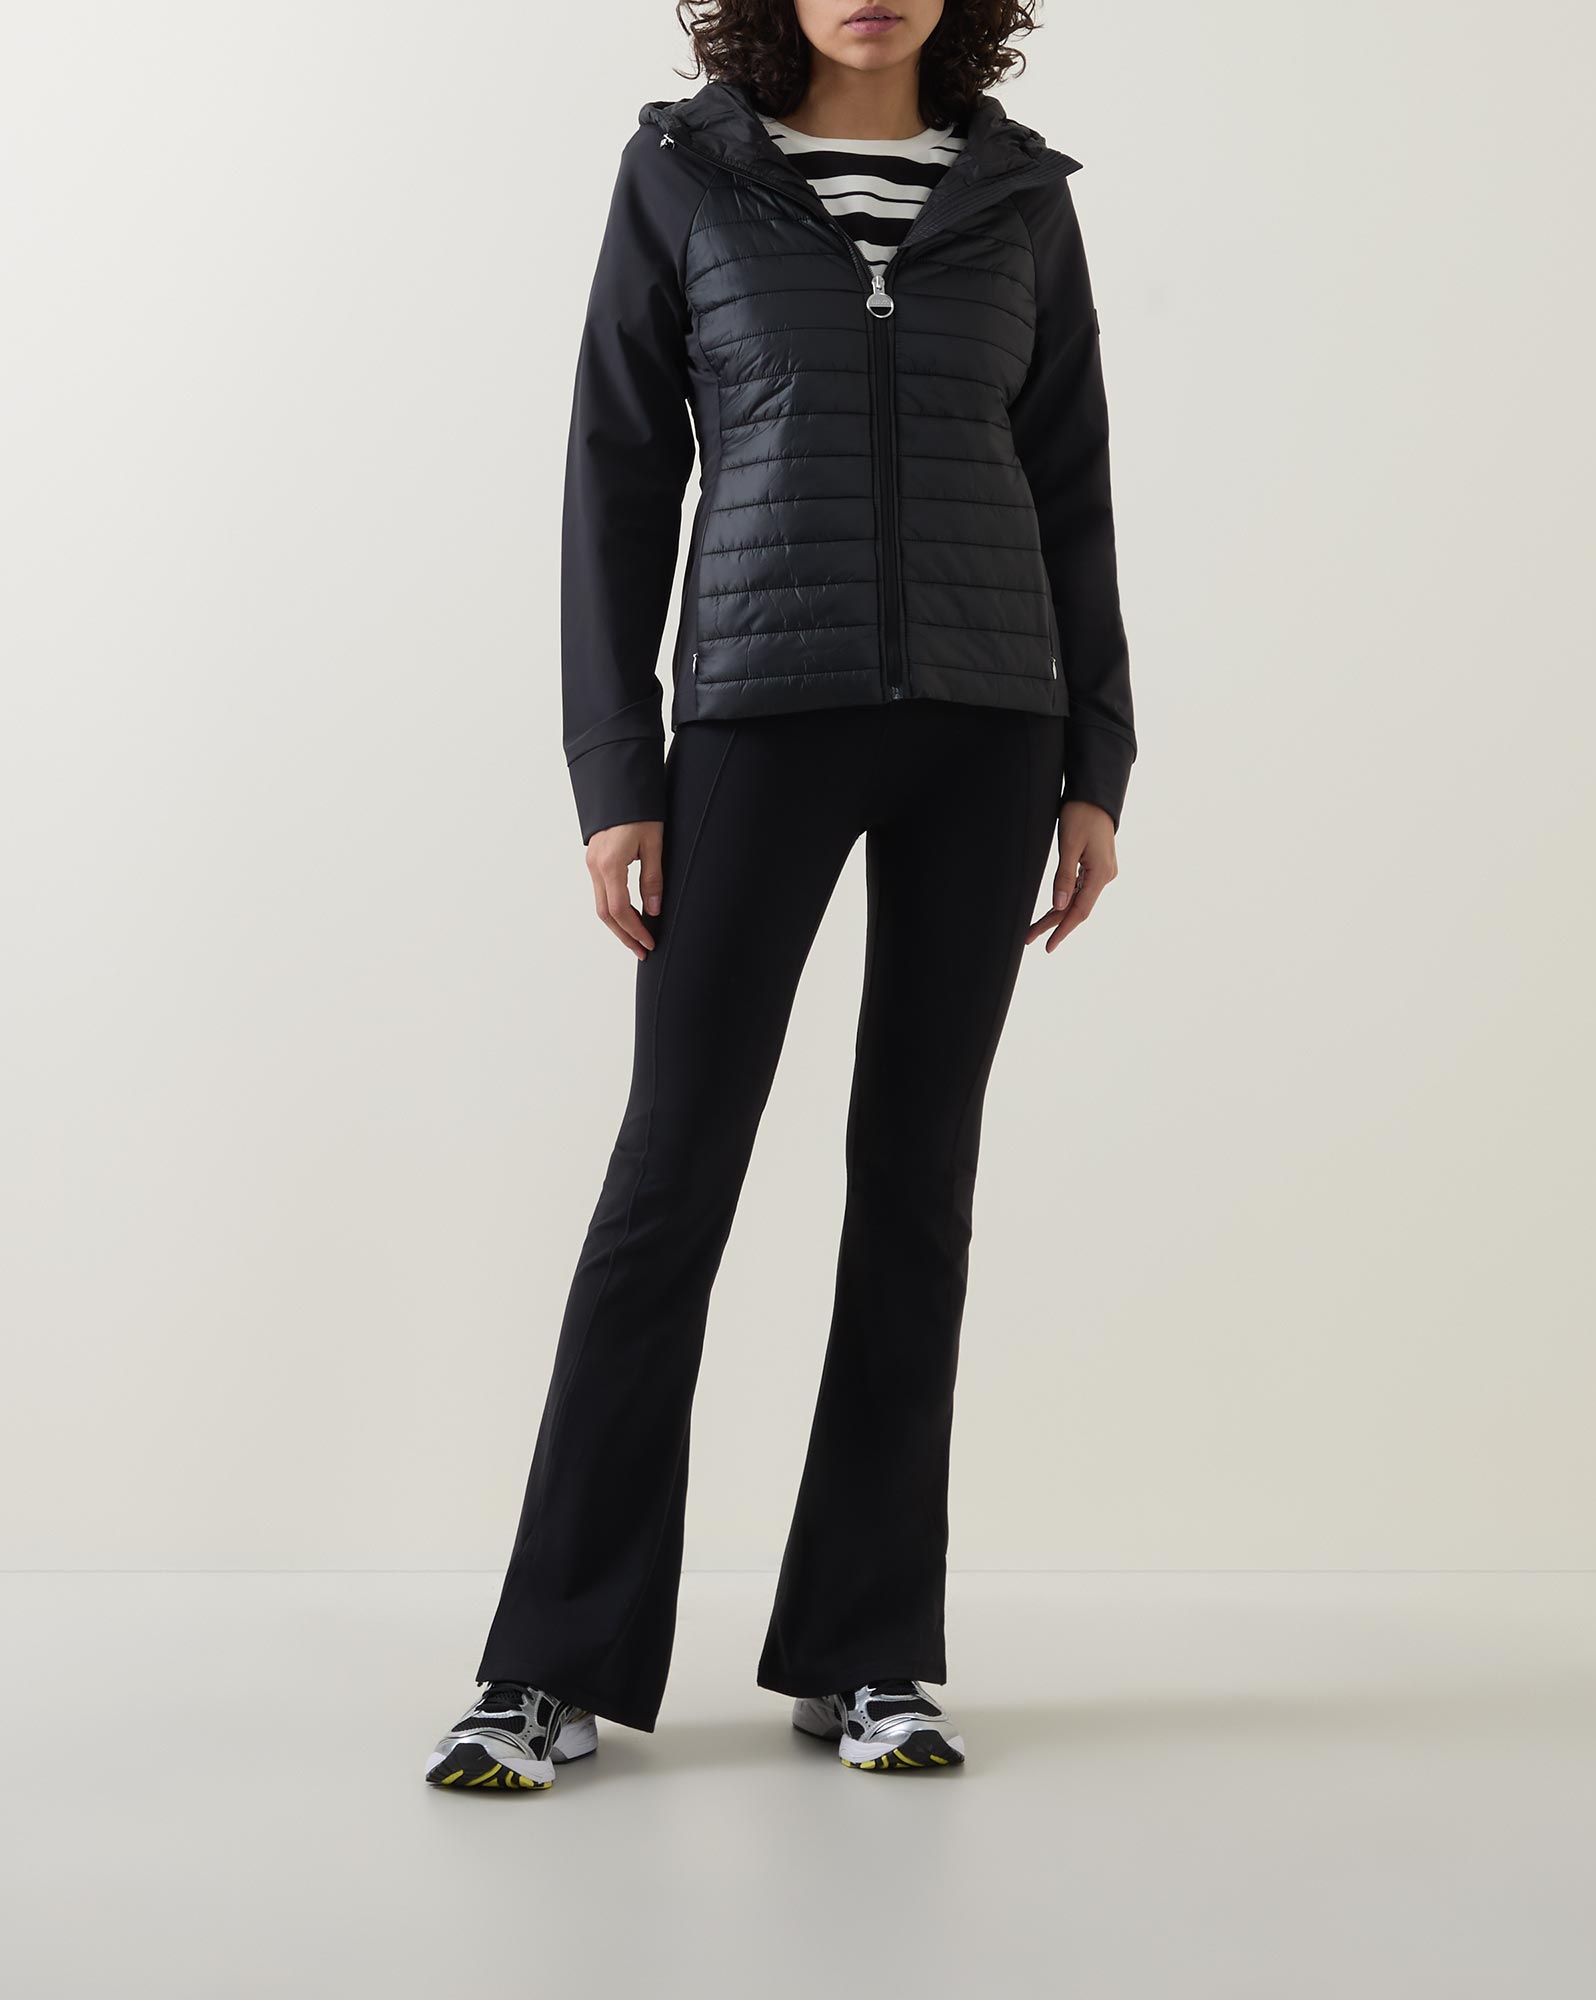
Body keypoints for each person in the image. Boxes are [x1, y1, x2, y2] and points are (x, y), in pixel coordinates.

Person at [426, 0, 1136, 1792]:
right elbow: (614, 472)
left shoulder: (1019, 194)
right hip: (756, 712)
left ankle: (868, 1651)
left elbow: (1070, 484)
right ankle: (548, 1667)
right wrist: (617, 770)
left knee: (917, 1184)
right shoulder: (685, 174)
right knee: (672, 1178)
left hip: (990, 722)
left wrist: (1097, 761)